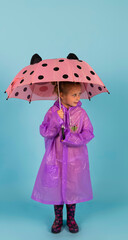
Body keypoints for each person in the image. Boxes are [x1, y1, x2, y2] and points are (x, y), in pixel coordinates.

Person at [31, 81, 95, 234]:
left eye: (79, 94)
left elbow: (88, 133)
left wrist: (70, 138)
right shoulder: (52, 112)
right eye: (74, 94)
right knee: (57, 189)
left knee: (72, 188)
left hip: (75, 161)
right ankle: (58, 218)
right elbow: (45, 132)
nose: (77, 97)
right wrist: (55, 120)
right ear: (61, 94)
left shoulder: (81, 114)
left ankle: (71, 218)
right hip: (56, 158)